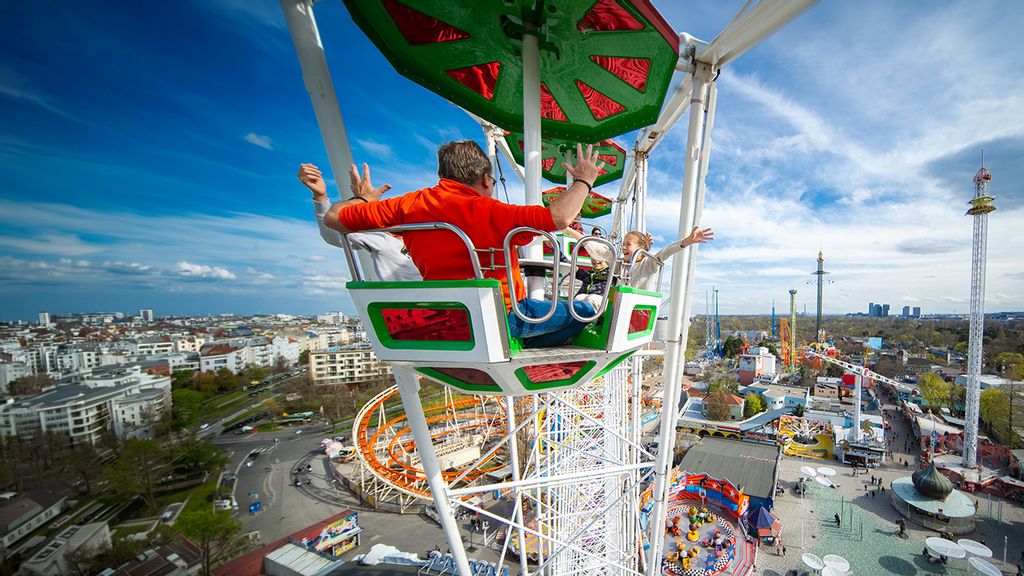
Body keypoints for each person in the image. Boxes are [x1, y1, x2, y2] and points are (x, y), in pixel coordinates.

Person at [325, 140, 606, 348]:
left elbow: (333, 217)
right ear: (485, 179)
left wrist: (363, 199)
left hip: (447, 318)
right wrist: (584, 180)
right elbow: (559, 217)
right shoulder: (492, 211)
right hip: (504, 319)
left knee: (548, 313)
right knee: (588, 311)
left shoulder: (407, 205)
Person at [297, 162, 421, 282]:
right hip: (405, 301)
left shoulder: (433, 232)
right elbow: (333, 235)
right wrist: (321, 197)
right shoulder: (386, 240)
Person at [563, 226, 714, 308]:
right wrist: (568, 230)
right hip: (619, 307)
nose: (623, 247)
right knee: (581, 297)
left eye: (628, 244)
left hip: (637, 309)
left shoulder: (648, 264)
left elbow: (665, 252)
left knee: (590, 299)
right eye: (623, 243)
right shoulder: (621, 264)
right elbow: (596, 248)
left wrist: (686, 241)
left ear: (641, 247)